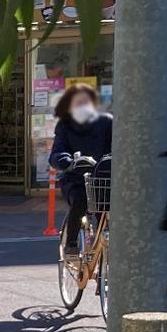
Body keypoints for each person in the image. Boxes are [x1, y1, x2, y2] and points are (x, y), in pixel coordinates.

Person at [50, 82, 113, 238]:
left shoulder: (106, 122)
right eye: (78, 102)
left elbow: (117, 146)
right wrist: (69, 162)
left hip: (103, 179)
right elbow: (57, 152)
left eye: (86, 101)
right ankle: (71, 244)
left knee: (107, 206)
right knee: (81, 200)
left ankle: (107, 243)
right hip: (75, 179)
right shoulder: (65, 125)